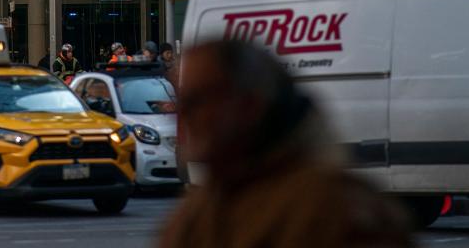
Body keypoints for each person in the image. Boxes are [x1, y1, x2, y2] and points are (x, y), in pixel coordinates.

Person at [160, 40, 411, 248]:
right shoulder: (198, 210)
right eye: (181, 99)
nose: (182, 113)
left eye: (197, 100)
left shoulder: (332, 210)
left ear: (249, 106)